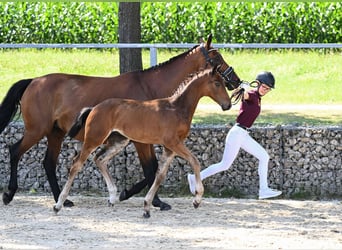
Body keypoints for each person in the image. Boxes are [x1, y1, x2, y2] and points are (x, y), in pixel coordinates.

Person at [187, 71, 282, 199]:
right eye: (264, 87)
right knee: (224, 165)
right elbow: (246, 94)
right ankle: (194, 178)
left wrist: (246, 88)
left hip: (243, 134)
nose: (265, 90)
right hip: (237, 133)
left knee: (264, 157)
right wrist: (244, 87)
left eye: (268, 89)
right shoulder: (252, 95)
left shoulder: (257, 98)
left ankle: (264, 190)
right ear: (257, 84)